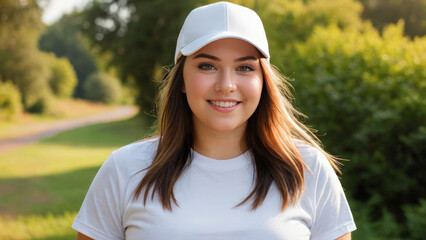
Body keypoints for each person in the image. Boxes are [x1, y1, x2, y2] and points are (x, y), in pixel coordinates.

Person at [73, 2, 356, 239]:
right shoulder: (124, 170)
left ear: (263, 81)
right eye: (207, 66)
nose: (226, 85)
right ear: (182, 79)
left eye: (244, 67)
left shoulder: (308, 170)